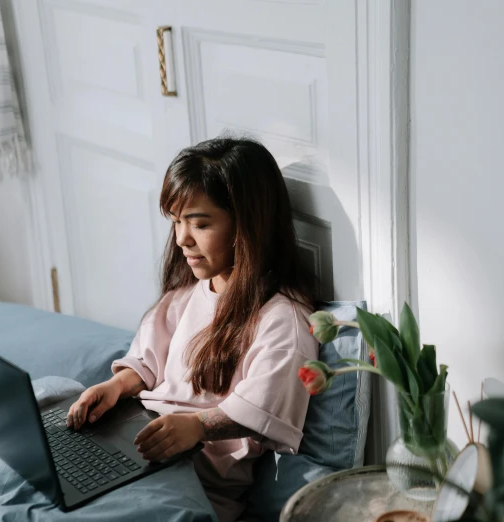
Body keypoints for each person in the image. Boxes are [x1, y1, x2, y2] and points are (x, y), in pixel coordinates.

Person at [65, 137, 318, 522]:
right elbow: (146, 360)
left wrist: (197, 427)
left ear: (247, 225)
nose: (182, 239)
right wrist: (116, 387)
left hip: (195, 483)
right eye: (176, 221)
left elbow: (261, 409)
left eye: (199, 223)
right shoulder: (187, 295)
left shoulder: (283, 319)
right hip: (140, 447)